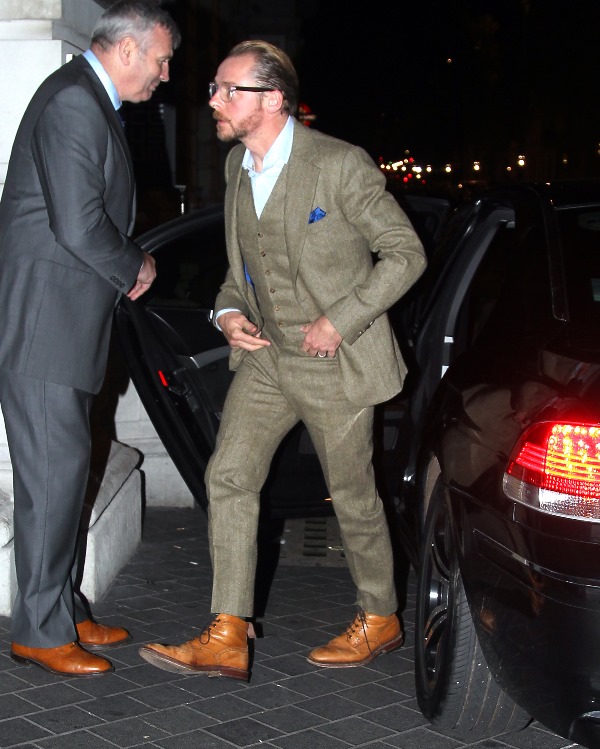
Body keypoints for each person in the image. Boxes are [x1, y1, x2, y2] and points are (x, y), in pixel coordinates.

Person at [139, 40, 426, 682]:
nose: (214, 100)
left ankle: (380, 616)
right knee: (228, 476)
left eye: (228, 90)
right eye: (214, 89)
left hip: (334, 360)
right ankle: (227, 632)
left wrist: (340, 319)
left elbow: (405, 253)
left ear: (272, 99)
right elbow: (240, 270)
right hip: (268, 357)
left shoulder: (339, 164)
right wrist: (226, 313)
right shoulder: (238, 166)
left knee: (353, 495)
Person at [0, 0, 180, 677]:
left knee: (66, 471)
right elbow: (78, 224)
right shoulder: (76, 100)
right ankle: (39, 630)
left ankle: (63, 608)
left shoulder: (84, 97)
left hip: (60, 322)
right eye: (162, 60)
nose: (165, 75)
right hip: (45, 324)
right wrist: (136, 265)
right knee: (53, 475)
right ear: (128, 49)